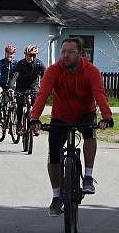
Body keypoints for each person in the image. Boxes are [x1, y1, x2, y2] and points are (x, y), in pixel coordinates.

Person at [29, 37, 113, 216]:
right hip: (60, 115)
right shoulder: (53, 70)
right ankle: (56, 196)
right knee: (53, 154)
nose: (65, 55)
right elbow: (43, 94)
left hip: (85, 113)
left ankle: (88, 176)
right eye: (63, 51)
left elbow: (99, 94)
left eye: (70, 52)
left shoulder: (91, 71)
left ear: (81, 54)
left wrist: (107, 116)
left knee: (90, 134)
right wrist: (34, 118)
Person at [8, 45, 46, 130]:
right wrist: (11, 87)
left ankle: (35, 124)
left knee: (36, 107)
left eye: (31, 56)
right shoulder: (21, 63)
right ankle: (18, 125)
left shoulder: (39, 63)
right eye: (27, 55)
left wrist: (45, 88)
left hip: (34, 88)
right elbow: (14, 75)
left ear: (35, 56)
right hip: (21, 88)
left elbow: (45, 76)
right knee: (20, 106)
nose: (29, 57)